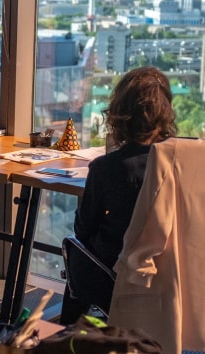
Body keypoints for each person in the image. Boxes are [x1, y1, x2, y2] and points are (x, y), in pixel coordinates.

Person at [59, 66, 177, 324]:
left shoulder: (106, 168)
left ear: (120, 114)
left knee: (74, 246)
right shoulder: (183, 163)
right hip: (174, 273)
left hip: (121, 275)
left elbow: (83, 229)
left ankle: (68, 335)